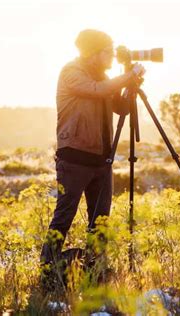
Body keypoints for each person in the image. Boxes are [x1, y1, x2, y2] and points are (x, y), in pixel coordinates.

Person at [40, 29, 145, 269]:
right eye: (108, 51)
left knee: (100, 221)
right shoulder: (72, 72)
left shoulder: (103, 78)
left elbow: (121, 108)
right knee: (64, 216)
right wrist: (125, 77)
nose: (112, 56)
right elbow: (97, 90)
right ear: (93, 53)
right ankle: (47, 267)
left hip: (101, 159)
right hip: (75, 156)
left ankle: (95, 269)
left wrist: (131, 85)